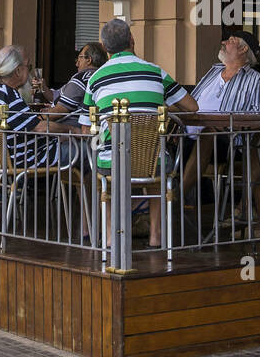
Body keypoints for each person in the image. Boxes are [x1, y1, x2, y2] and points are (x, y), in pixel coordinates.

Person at [82, 19, 199, 247]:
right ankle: (156, 237)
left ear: (105, 48)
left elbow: (88, 127)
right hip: (153, 161)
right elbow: (192, 107)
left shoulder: (95, 79)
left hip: (111, 161)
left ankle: (109, 238)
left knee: (105, 174)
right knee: (157, 167)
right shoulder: (156, 72)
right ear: (132, 40)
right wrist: (159, 107)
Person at [181, 32, 260, 226]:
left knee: (208, 133)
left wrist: (225, 122)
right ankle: (147, 204)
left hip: (230, 142)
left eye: (230, 41)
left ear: (243, 48)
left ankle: (175, 198)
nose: (223, 42)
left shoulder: (256, 81)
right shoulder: (213, 72)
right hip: (187, 135)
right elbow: (191, 101)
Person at [0, 44, 79, 171]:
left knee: (73, 146)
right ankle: (96, 190)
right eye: (29, 67)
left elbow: (28, 125)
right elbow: (40, 128)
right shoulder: (8, 94)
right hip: (32, 159)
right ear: (18, 71)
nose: (30, 72)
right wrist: (73, 130)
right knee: (88, 151)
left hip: (16, 158)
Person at [48, 43, 108, 126]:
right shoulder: (103, 77)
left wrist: (38, 118)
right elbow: (57, 96)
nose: (77, 64)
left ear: (89, 60)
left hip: (68, 133)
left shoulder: (82, 78)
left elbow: (60, 111)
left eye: (80, 57)